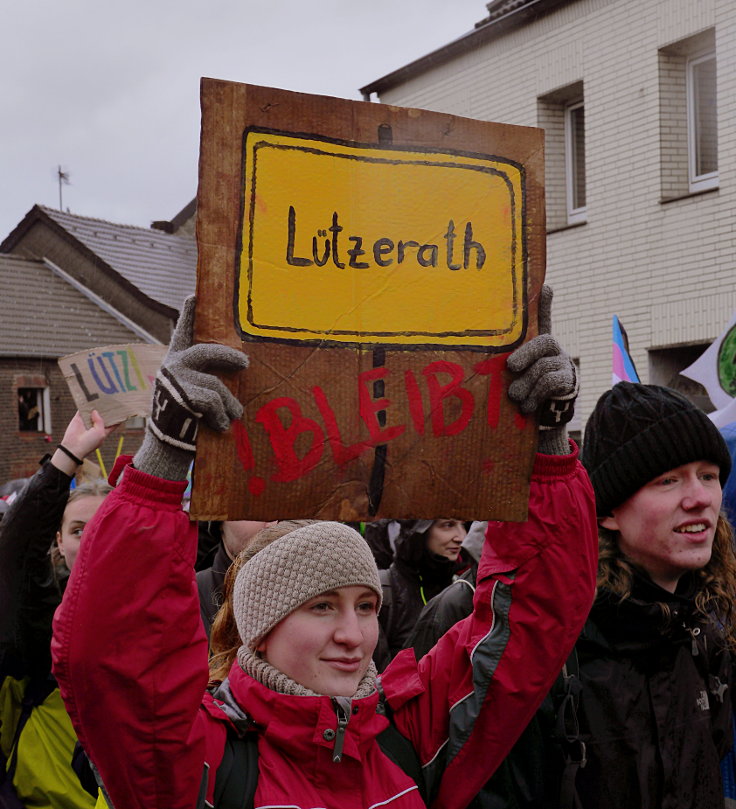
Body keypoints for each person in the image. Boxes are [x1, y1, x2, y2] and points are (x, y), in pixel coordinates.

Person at [51, 294, 597, 809]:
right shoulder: (203, 763)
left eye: (365, 606)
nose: (354, 635)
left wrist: (546, 447)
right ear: (260, 628)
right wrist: (162, 458)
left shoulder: (407, 738)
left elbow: (530, 620)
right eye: (321, 606)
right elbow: (109, 657)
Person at [566, 381, 736, 809]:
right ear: (607, 513)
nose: (700, 498)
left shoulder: (708, 631)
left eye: (709, 476)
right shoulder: (561, 644)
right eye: (668, 480)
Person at [0, 411, 112, 809]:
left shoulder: (153, 614)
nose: (92, 542)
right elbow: (18, 547)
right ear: (59, 541)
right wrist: (67, 455)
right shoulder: (42, 619)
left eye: (105, 530)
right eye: (79, 530)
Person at [374, 518, 467, 669]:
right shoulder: (384, 592)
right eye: (448, 525)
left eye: (463, 525)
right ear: (419, 533)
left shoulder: (462, 589)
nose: (461, 537)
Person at [197, 518, 276, 638]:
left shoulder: (310, 592)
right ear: (220, 522)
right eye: (252, 508)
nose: (273, 523)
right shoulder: (191, 599)